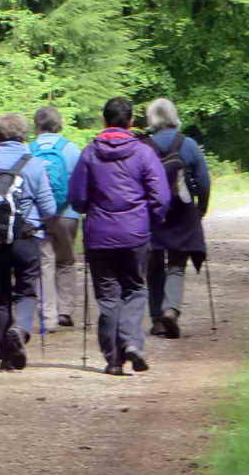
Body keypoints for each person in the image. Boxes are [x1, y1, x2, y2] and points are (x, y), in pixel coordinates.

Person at [68, 96, 169, 376]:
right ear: (131, 122)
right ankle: (132, 342)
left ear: (104, 121)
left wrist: (92, 209)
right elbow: (160, 196)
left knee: (108, 297)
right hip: (135, 233)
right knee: (135, 289)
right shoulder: (144, 153)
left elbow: (76, 198)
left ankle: (113, 360)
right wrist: (151, 219)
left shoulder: (89, 153)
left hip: (99, 235)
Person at [0, 112, 59, 371]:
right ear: (24, 135)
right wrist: (41, 225)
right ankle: (21, 329)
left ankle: (6, 358)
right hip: (26, 238)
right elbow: (49, 208)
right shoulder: (34, 165)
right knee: (27, 290)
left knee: (0, 296)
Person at [142, 98, 212, 339]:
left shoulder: (144, 146)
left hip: (153, 212)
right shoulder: (188, 144)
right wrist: (201, 207)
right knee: (176, 265)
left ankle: (156, 319)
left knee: (153, 266)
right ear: (173, 116)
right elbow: (203, 180)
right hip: (182, 210)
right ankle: (170, 309)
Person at [29, 105, 82, 333]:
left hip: (40, 215)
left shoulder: (28, 150)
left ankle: (48, 316)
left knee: (45, 262)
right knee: (66, 261)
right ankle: (65, 311)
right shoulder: (71, 149)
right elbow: (81, 183)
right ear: (59, 123)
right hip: (68, 213)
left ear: (36, 125)